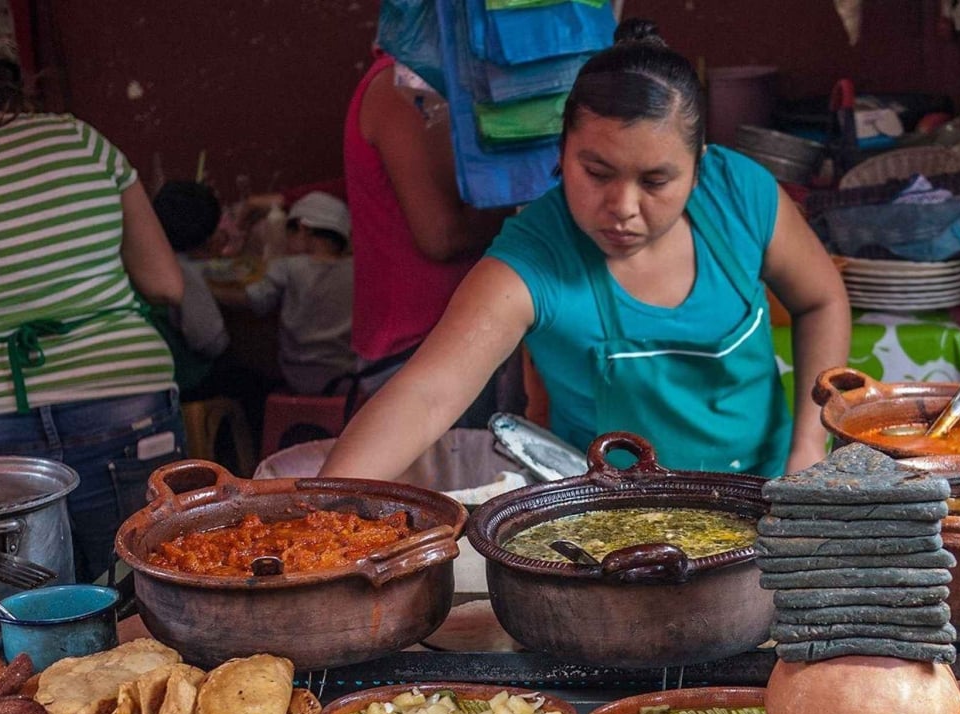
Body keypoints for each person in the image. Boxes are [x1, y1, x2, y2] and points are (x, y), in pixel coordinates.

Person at [322, 20, 850, 481]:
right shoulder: (534, 258)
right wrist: (324, 513)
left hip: (767, 493)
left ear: (699, 166)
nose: (621, 206)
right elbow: (427, 393)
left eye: (656, 180)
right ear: (562, 151)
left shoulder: (742, 197)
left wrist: (808, 447)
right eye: (596, 172)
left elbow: (820, 301)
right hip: (610, 525)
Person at [0, 0, 185, 582]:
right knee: (151, 594)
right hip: (126, 404)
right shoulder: (78, 140)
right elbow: (165, 282)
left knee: (16, 616)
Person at [342, 48, 514, 418]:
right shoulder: (402, 83)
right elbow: (443, 235)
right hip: (420, 350)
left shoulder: (437, 78)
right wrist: (526, 205)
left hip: (445, 341)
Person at [215, 192, 357, 397]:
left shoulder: (288, 267)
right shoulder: (357, 269)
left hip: (300, 378)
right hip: (349, 378)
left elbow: (251, 299)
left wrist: (204, 287)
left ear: (302, 228)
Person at [151, 180, 230, 396]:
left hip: (151, 378)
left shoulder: (141, 260)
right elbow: (211, 342)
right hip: (185, 383)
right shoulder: (183, 272)